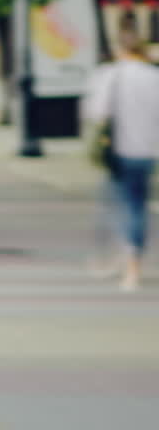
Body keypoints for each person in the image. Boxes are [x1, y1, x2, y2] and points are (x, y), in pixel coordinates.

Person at [84, 26, 159, 292]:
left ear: (121, 49)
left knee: (118, 204)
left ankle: (119, 262)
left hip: (118, 151)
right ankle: (131, 263)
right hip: (148, 151)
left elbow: (97, 112)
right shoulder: (154, 77)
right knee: (138, 205)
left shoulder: (110, 75)